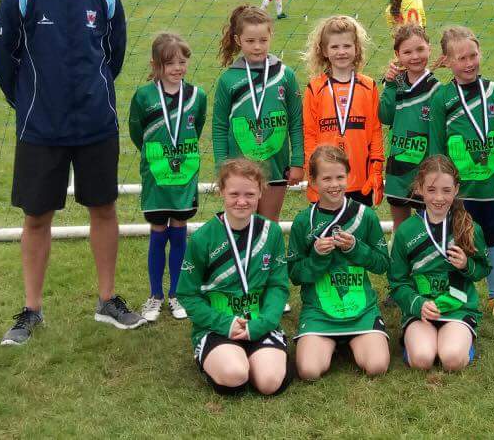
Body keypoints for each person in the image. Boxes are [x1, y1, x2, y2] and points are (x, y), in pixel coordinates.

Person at [0, 0, 143, 346]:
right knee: (37, 217)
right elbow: (3, 62)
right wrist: (31, 103)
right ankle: (32, 309)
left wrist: (90, 96)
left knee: (104, 209)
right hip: (41, 129)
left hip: (97, 125)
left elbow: (111, 58)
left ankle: (108, 300)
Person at [176, 159, 291, 396]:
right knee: (235, 374)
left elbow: (278, 287)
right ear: (221, 193)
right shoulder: (203, 238)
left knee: (269, 382)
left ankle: (261, 357)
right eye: (234, 194)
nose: (241, 201)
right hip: (217, 324)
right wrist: (224, 324)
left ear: (261, 192)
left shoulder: (272, 233)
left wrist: (261, 324)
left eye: (249, 194)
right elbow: (187, 293)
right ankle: (218, 357)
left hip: (259, 321)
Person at [429, 26, 494, 322]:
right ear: (447, 61)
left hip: (491, 188)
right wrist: (441, 188)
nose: (469, 63)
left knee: (492, 239)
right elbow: (436, 147)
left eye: (473, 55)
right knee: (455, 242)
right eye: (461, 58)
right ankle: (456, 295)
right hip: (459, 191)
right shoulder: (442, 98)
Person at [288, 145, 390, 380]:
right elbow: (294, 274)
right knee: (309, 371)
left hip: (361, 310)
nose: (334, 184)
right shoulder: (304, 221)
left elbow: (382, 264)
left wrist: (356, 248)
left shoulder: (366, 216)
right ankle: (327, 341)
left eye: (340, 177)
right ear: (312, 181)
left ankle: (356, 338)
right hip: (319, 312)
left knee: (377, 366)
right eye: (326, 178)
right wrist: (316, 257)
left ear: (349, 176)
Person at [128, 32, 207, 322]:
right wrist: (158, 157)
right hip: (156, 177)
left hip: (184, 176)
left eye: (182, 61)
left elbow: (195, 128)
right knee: (158, 232)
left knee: (180, 230)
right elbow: (138, 132)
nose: (177, 68)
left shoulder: (198, 96)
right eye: (169, 63)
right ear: (155, 64)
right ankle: (155, 296)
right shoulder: (144, 96)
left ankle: (176, 294)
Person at [388, 156, 490, 371]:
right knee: (422, 360)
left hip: (458, 307)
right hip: (422, 309)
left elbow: (483, 269)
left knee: (452, 360)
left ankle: (460, 342)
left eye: (446, 190)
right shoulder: (406, 231)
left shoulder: (468, 226)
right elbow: (397, 282)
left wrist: (466, 265)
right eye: (432, 190)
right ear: (419, 189)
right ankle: (418, 341)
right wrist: (417, 304)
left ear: (456, 190)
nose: (439, 198)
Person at [213, 5, 304, 222]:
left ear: (271, 35)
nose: (257, 47)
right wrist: (221, 166)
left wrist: (298, 161)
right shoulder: (229, 79)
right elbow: (219, 126)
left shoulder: (285, 75)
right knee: (242, 226)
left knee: (269, 225)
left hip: (275, 165)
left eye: (263, 40)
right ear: (238, 40)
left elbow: (296, 121)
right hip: (239, 169)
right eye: (250, 41)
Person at [303, 15, 384, 207]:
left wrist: (376, 169)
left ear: (356, 48)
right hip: (326, 181)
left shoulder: (369, 86)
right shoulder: (314, 88)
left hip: (360, 181)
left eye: (347, 46)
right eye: (334, 47)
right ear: (324, 50)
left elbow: (375, 131)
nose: (341, 52)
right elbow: (310, 135)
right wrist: (313, 172)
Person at [379, 24, 439, 230]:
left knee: (429, 224)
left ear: (429, 48)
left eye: (420, 49)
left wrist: (433, 172)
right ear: (397, 55)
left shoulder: (437, 90)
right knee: (400, 226)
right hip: (398, 167)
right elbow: (385, 116)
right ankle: (399, 261)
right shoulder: (396, 84)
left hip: (425, 170)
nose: (415, 56)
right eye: (407, 51)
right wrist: (389, 84)